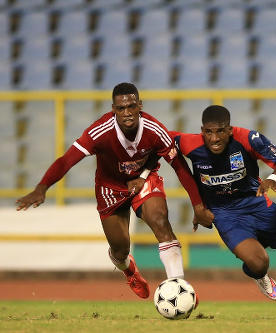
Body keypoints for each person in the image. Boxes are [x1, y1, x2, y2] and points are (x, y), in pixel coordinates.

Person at [16, 82, 212, 299]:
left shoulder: (155, 129)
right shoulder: (99, 132)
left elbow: (181, 168)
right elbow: (66, 161)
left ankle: (180, 290)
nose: (127, 113)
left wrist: (198, 206)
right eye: (121, 108)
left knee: (161, 222)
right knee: (120, 250)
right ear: (113, 109)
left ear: (140, 106)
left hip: (144, 181)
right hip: (110, 189)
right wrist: (41, 188)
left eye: (131, 107)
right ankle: (129, 270)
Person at [168, 105, 276, 320]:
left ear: (230, 130)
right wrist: (197, 205)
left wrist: (273, 178)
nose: (214, 138)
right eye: (208, 132)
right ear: (201, 131)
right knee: (258, 263)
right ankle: (259, 275)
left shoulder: (248, 138)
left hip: (258, 205)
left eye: (220, 131)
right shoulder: (188, 143)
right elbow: (155, 140)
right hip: (225, 214)